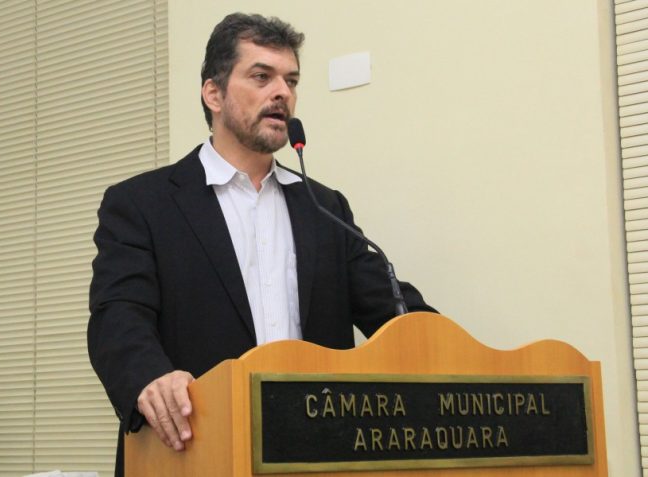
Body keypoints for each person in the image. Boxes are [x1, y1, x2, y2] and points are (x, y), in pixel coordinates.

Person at [87, 12, 436, 476]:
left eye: (291, 80)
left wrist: (454, 352)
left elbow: (393, 312)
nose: (282, 93)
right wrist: (150, 378)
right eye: (261, 76)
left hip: (311, 458)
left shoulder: (323, 207)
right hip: (193, 452)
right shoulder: (142, 204)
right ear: (213, 93)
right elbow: (117, 316)